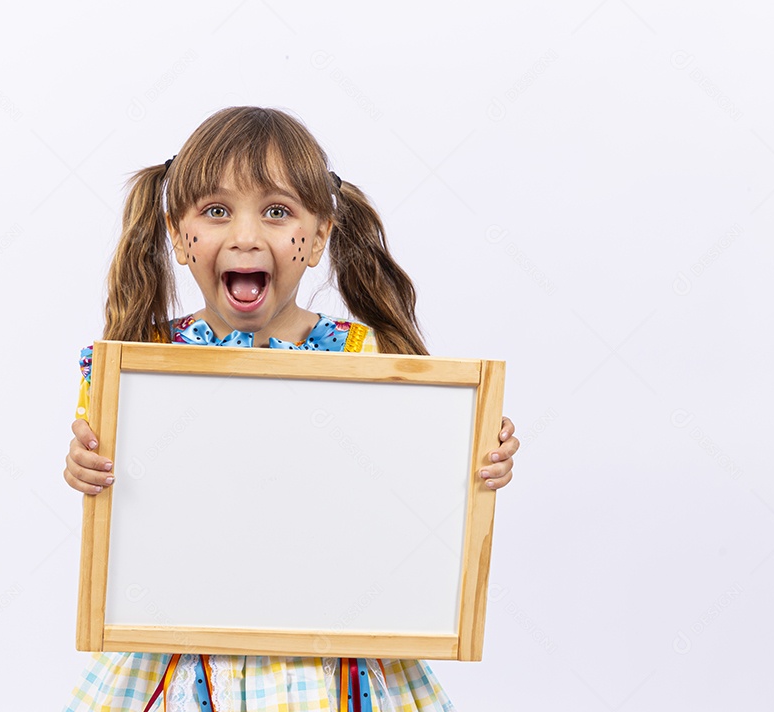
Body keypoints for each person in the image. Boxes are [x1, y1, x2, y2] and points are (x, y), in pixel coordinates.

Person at [62, 106, 519, 711]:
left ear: (320, 235)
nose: (246, 236)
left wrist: (474, 453)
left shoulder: (367, 357)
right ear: (176, 233)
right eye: (216, 211)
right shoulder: (140, 364)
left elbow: (413, 479)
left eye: (277, 212)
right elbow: (114, 483)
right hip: (180, 649)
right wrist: (84, 467)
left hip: (331, 656)